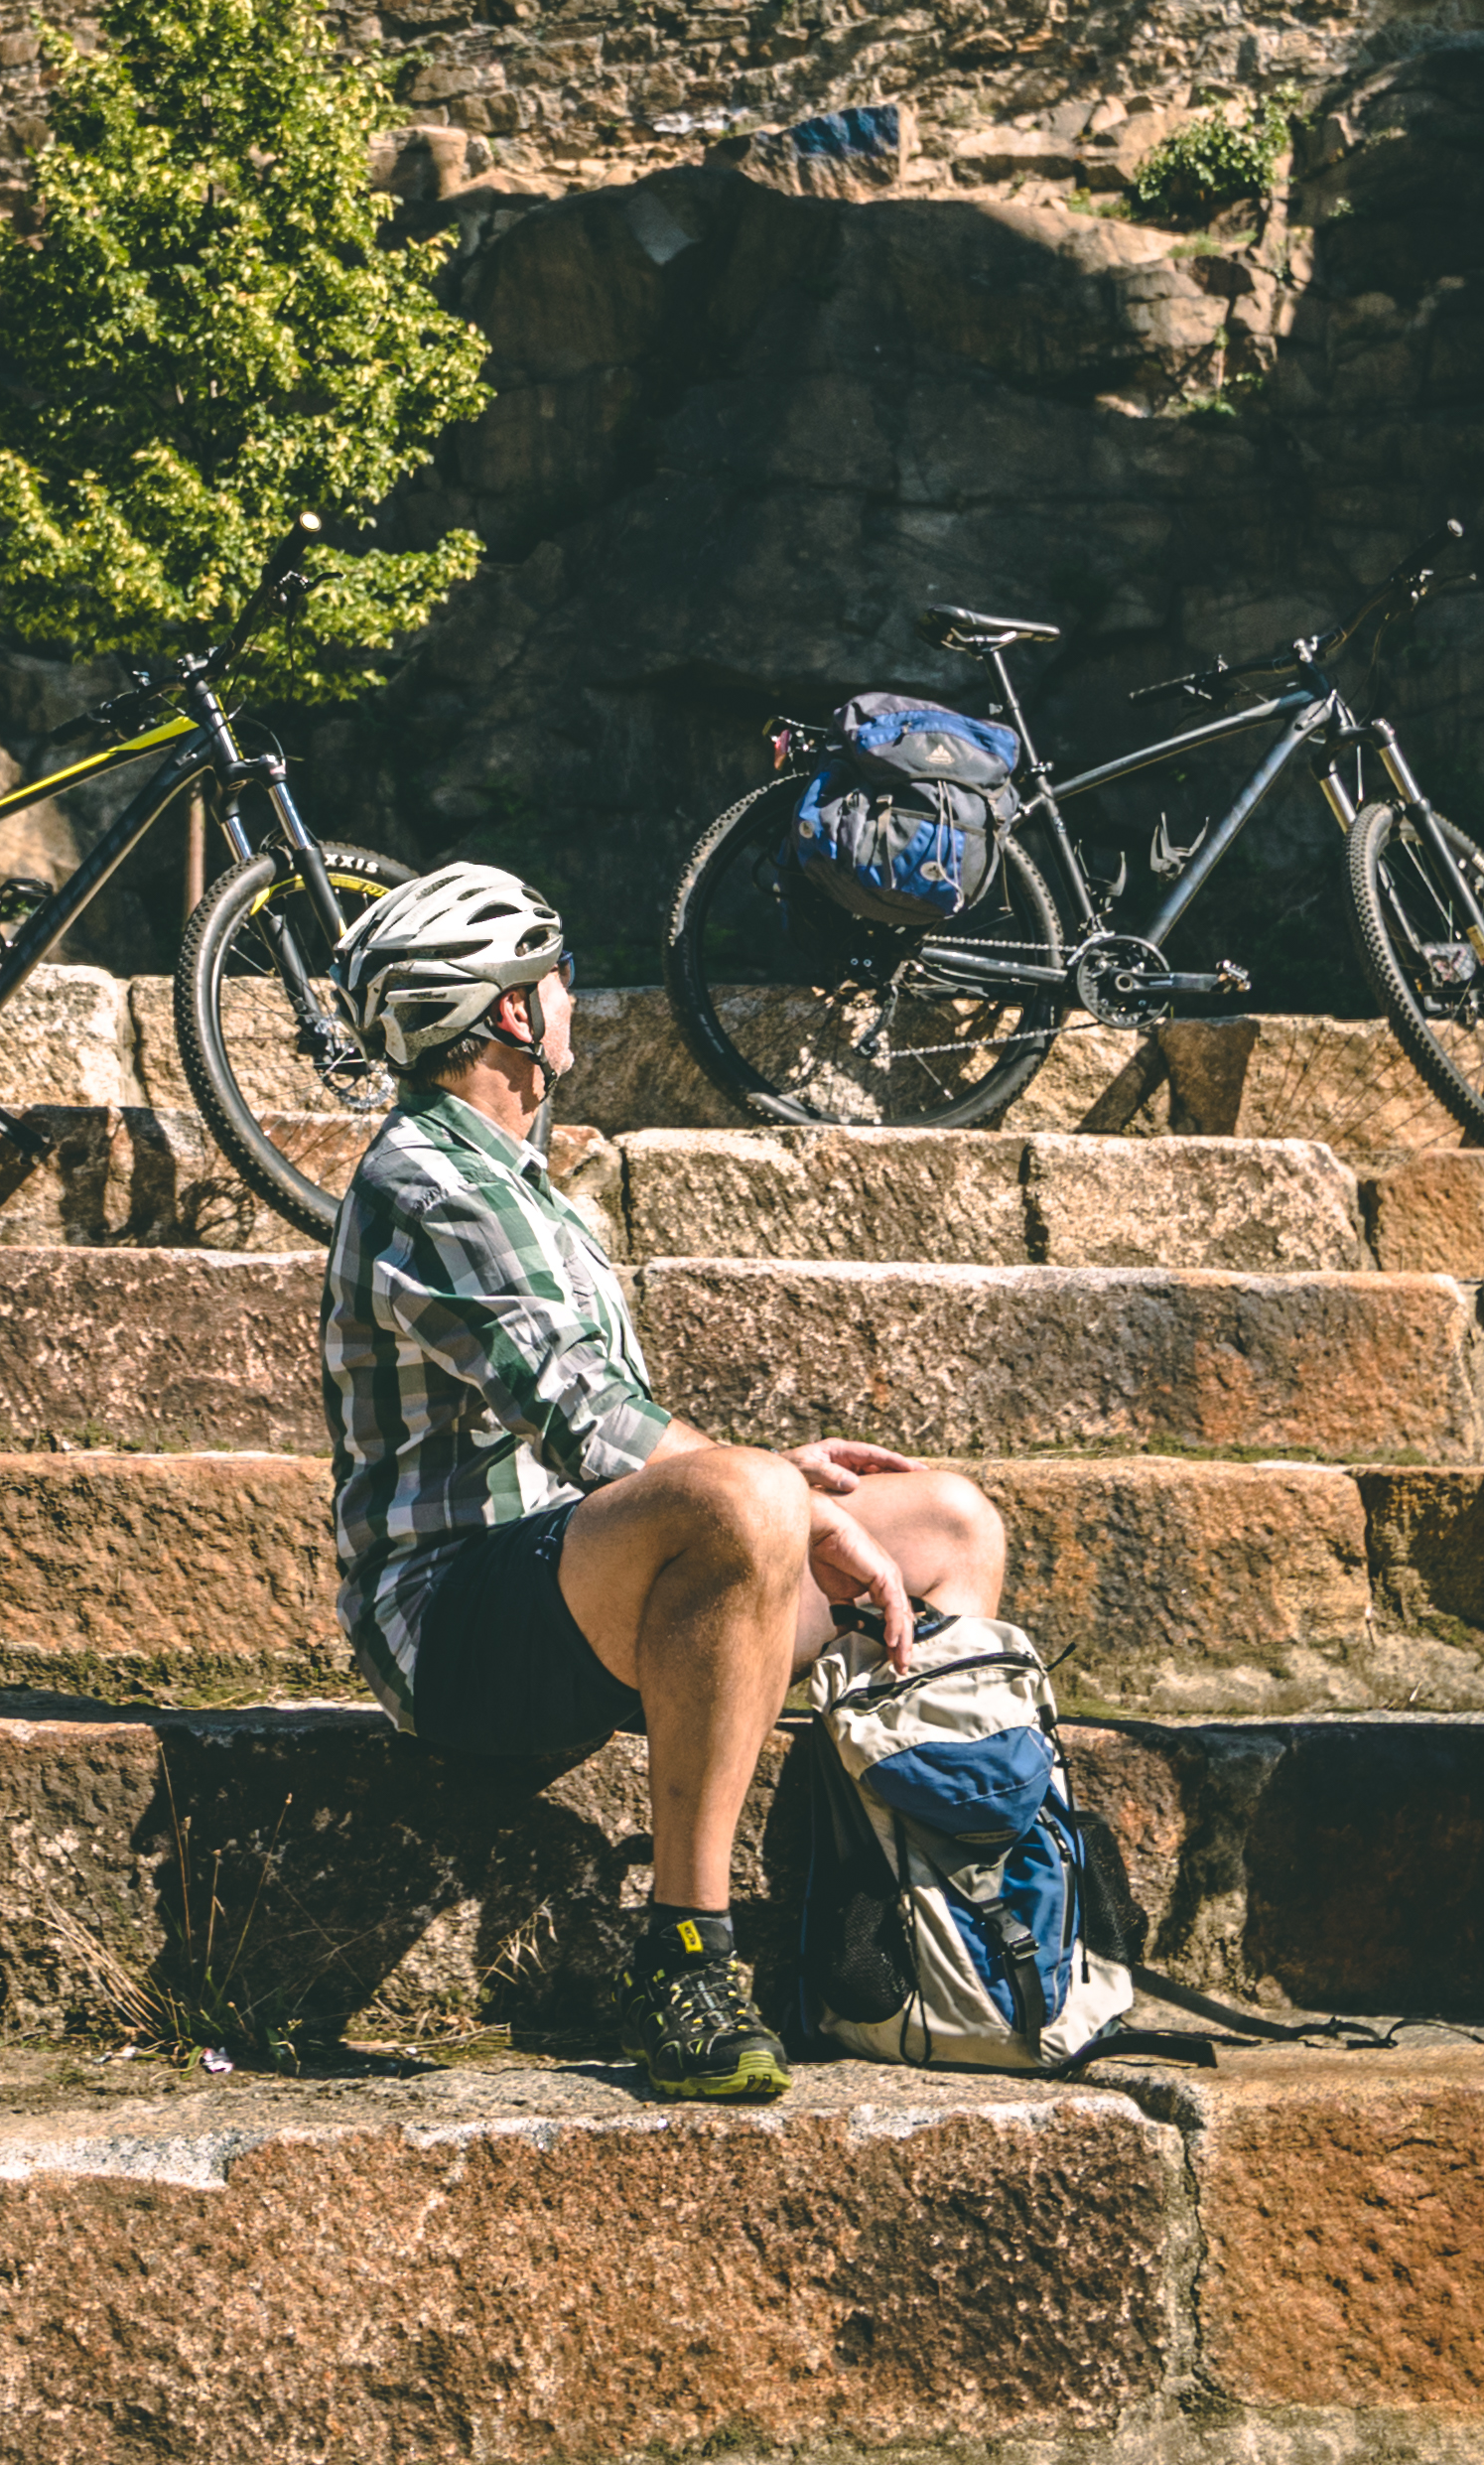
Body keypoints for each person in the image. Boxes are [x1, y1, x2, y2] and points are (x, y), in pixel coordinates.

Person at [312, 858, 1015, 2105]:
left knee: (947, 1523)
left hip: (575, 1578)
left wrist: (785, 1488)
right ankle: (689, 1956)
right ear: (515, 1013)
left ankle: (887, 1938)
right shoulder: (423, 1178)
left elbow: (620, 1429)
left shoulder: (521, 1182)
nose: (571, 994)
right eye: (556, 974)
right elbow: (585, 1418)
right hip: (454, 1619)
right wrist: (777, 1502)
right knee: (744, 1500)